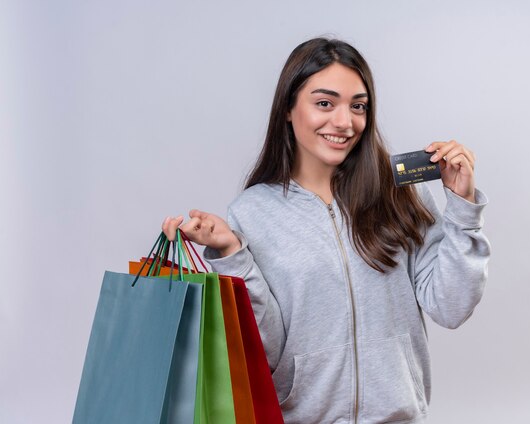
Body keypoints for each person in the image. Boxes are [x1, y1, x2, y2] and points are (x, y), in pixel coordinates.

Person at [163, 37, 490, 424]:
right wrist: (232, 252)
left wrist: (463, 208)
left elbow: (451, 307)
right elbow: (264, 351)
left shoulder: (398, 193)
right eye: (324, 103)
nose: (344, 122)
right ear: (288, 108)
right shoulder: (252, 213)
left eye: (358, 106)